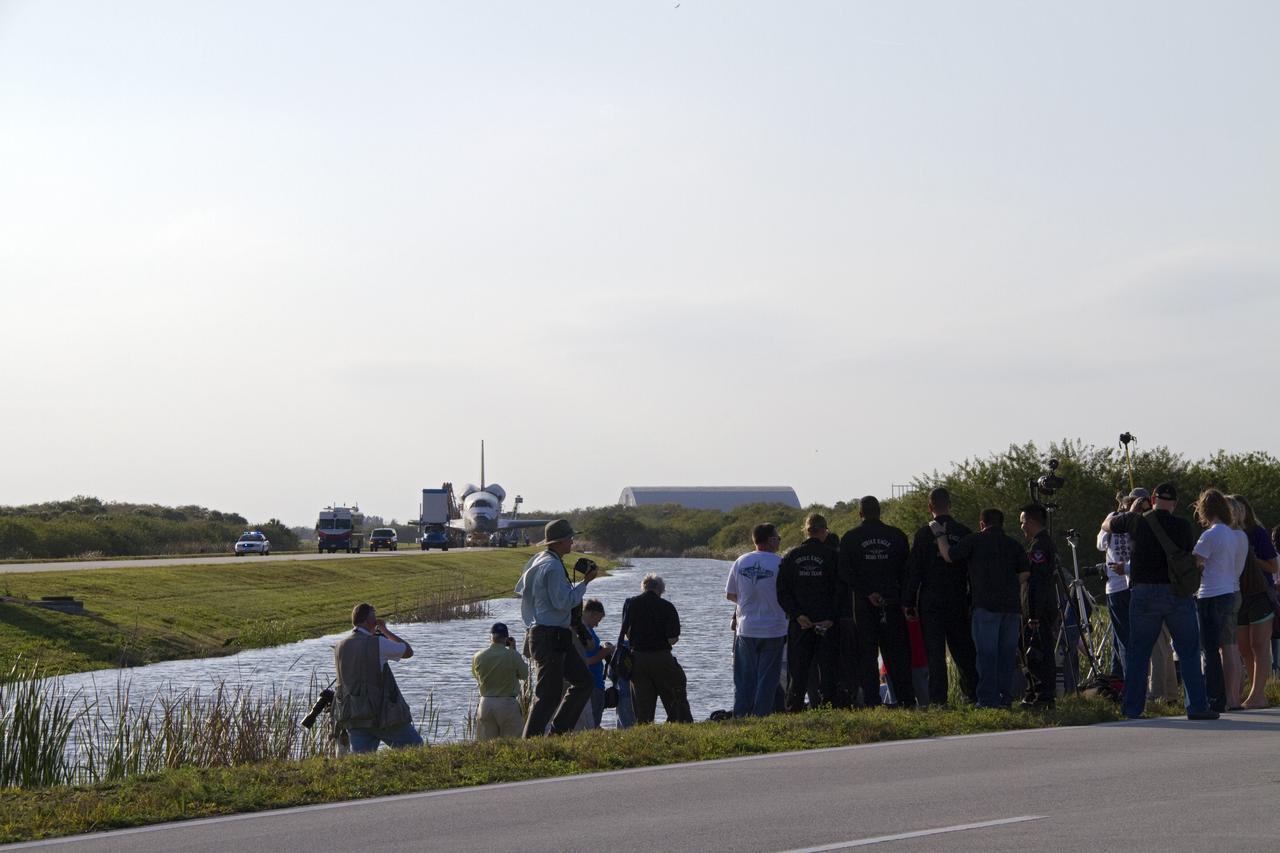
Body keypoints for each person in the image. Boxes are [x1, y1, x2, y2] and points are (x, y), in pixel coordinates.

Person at [1102, 482, 1216, 720]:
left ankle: (1132, 708)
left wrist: (1132, 511)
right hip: (1176, 594)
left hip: (1143, 594)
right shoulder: (1183, 526)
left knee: (1138, 653)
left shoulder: (1136, 520)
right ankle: (1196, 706)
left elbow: (1106, 526)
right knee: (1188, 651)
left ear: (1152, 499)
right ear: (1174, 503)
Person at [514, 518, 601, 737]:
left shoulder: (540, 559)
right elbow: (562, 602)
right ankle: (532, 741)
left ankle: (558, 732)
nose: (572, 543)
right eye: (570, 539)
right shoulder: (552, 566)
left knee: (583, 682)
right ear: (560, 541)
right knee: (548, 695)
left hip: (552, 634)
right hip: (549, 636)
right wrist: (585, 582)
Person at [937, 508, 1030, 708]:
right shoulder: (1013, 545)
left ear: (982, 524)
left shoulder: (974, 540)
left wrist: (939, 534)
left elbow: (949, 556)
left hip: (985, 607)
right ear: (1002, 524)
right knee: (1006, 656)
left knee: (987, 656)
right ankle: (1006, 698)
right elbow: (1024, 575)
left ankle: (988, 700)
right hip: (1011, 609)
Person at [905, 488, 978, 706]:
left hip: (930, 600)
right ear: (950, 505)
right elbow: (971, 570)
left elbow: (914, 570)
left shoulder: (923, 534)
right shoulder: (964, 532)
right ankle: (971, 695)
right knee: (964, 650)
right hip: (957, 598)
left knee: (935, 653)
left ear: (930, 507)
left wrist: (908, 601)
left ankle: (938, 700)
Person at [840, 496, 915, 708]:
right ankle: (906, 699)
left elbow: (845, 572)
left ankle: (872, 701)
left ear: (860, 513)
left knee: (867, 655)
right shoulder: (897, 536)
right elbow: (907, 571)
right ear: (879, 511)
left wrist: (866, 592)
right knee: (897, 654)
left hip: (864, 606)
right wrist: (902, 598)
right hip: (892, 602)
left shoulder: (851, 538)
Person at [332, 602, 423, 753]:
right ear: (369, 621)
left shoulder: (339, 646)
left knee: (362, 762)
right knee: (416, 749)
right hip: (382, 716)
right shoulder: (378, 643)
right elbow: (407, 651)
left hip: (354, 716)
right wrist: (384, 630)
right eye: (374, 618)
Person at [776, 513, 839, 710]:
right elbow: (840, 590)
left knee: (798, 670)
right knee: (827, 669)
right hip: (824, 622)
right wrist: (831, 618)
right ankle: (828, 707)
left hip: (800, 623)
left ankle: (793, 708)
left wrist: (796, 614)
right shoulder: (832, 556)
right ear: (824, 531)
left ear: (806, 530)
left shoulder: (791, 556)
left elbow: (782, 591)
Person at [1191, 489, 1247, 712]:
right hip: (1230, 591)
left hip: (1210, 594)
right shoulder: (1233, 535)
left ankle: (1216, 696)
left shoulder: (1210, 535)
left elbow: (1195, 562)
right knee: (1230, 646)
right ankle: (1233, 697)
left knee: (1211, 650)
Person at [726, 523, 788, 717]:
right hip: (774, 628)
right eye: (778, 538)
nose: (779, 541)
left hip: (746, 628)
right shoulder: (780, 563)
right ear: (770, 540)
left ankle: (741, 715)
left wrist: (748, 603)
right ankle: (761, 716)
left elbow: (730, 594)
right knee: (767, 678)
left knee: (744, 678)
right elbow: (787, 595)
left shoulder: (740, 561)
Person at [625, 573, 693, 723]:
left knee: (642, 706)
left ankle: (645, 731)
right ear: (661, 590)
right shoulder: (667, 606)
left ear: (643, 587)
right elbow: (673, 639)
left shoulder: (631, 604)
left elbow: (627, 633)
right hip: (662, 658)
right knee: (673, 698)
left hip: (637, 659)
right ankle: (680, 725)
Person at [1230, 494, 1277, 708]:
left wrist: (1250, 559)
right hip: (1236, 594)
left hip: (1259, 593)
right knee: (1243, 647)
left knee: (1259, 645)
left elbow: (1273, 567)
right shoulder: (1226, 533)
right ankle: (1253, 691)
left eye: (1238, 507)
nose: (1235, 512)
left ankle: (1258, 694)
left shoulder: (1258, 533)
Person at [1097, 489, 1150, 677]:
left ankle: (1131, 683)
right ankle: (1118, 678)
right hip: (1126, 584)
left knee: (1126, 639)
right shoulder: (1120, 518)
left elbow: (1101, 543)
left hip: (1124, 585)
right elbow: (1102, 543)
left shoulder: (1140, 521)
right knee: (1121, 637)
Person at [1017, 504, 1061, 708]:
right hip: (1041, 608)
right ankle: (1036, 691)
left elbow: (1039, 582)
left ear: (1032, 521)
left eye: (1023, 522)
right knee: (1036, 651)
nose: (1021, 526)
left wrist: (1033, 614)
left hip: (1039, 610)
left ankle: (1042, 694)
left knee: (1038, 652)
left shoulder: (1039, 546)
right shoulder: (1041, 543)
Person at [471, 622, 529, 740]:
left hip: (485, 704)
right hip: (508, 704)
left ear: (490, 637)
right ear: (506, 638)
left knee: (486, 748)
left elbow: (476, 676)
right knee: (513, 746)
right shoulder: (512, 655)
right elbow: (524, 675)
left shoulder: (478, 656)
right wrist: (513, 650)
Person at [580, 599, 614, 728]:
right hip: (592, 683)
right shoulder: (583, 631)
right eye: (597, 620)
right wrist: (606, 652)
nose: (597, 624)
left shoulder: (587, 629)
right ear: (591, 614)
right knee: (592, 723)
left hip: (596, 681)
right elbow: (586, 661)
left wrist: (602, 648)